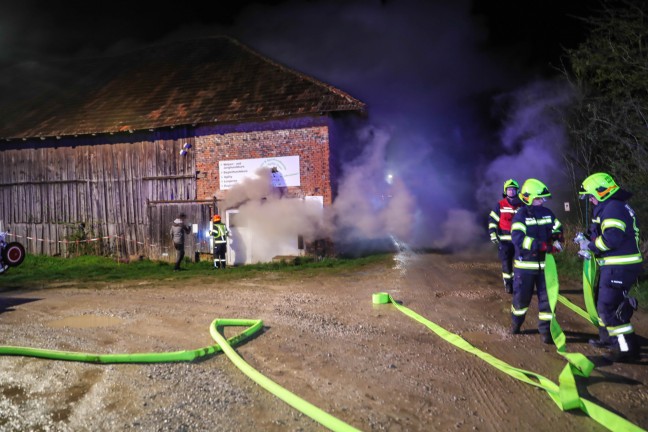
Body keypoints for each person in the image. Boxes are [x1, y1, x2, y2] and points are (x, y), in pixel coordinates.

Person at [576, 172, 643, 362]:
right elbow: (600, 231)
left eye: (591, 196)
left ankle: (626, 350)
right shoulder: (613, 206)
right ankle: (607, 338)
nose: (590, 200)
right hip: (616, 265)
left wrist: (591, 246)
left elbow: (612, 238)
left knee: (608, 308)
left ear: (601, 192)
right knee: (602, 302)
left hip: (619, 266)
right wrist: (587, 238)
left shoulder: (613, 208)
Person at [510, 179, 563, 344]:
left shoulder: (547, 213)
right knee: (521, 300)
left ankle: (546, 331)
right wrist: (541, 246)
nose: (543, 202)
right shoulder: (521, 215)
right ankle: (516, 324)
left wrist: (557, 238)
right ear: (530, 198)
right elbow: (518, 239)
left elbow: (557, 227)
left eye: (543, 199)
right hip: (525, 267)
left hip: (545, 267)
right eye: (540, 199)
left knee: (547, 299)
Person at [488, 179, 523, 293]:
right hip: (505, 241)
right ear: (505, 191)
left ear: (517, 191)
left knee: (520, 263)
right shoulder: (500, 205)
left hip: (520, 240)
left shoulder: (522, 205)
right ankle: (508, 284)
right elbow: (493, 220)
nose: (511, 191)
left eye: (513, 189)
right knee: (506, 263)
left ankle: (519, 283)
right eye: (509, 189)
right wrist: (493, 233)